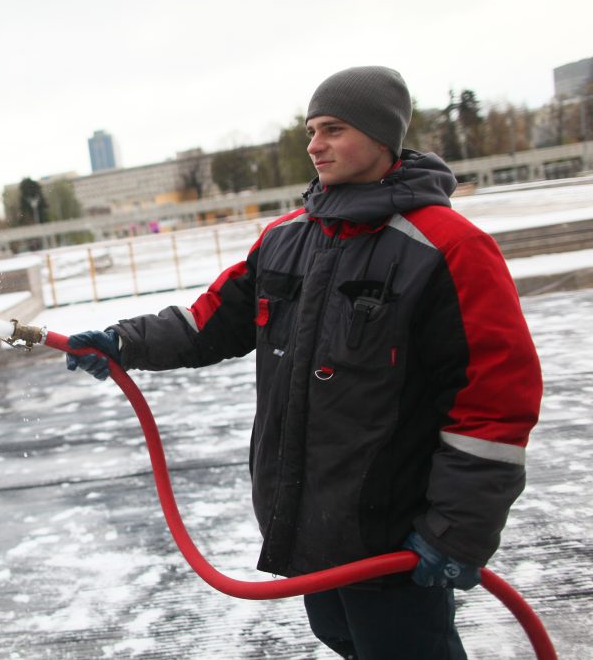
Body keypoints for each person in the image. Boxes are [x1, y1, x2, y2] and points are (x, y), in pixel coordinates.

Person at [65, 66, 543, 659]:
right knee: (342, 638)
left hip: (393, 530)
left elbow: (496, 402)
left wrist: (454, 532)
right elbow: (208, 322)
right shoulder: (287, 238)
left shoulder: (449, 247)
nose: (314, 145)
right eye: (312, 129)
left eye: (333, 129)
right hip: (310, 519)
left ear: (381, 136)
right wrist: (123, 342)